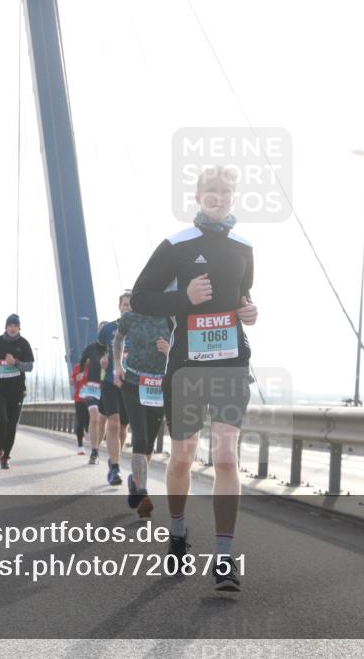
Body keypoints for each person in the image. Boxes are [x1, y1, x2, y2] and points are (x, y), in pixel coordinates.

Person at [131, 165, 257, 593]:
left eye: (225, 191)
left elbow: (243, 299)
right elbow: (142, 298)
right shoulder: (177, 245)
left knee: (225, 457)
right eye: (211, 190)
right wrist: (182, 299)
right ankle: (179, 531)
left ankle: (224, 559)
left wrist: (250, 313)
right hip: (186, 367)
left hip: (231, 364)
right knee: (183, 456)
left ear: (233, 196)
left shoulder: (244, 247)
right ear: (198, 195)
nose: (218, 197)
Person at [112, 307, 171, 518]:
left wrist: (170, 349)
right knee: (140, 437)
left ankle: (136, 481)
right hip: (133, 383)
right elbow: (118, 339)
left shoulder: (170, 316)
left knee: (149, 444)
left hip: (158, 386)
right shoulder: (131, 317)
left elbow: (184, 348)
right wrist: (117, 365)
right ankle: (143, 493)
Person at [0, 314, 34, 469]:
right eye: (10, 325)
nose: (12, 328)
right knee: (2, 420)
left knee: (12, 424)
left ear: (19, 328)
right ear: (6, 327)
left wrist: (16, 362)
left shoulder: (24, 343)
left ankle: (6, 456)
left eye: (15, 326)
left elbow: (30, 366)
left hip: (17, 390)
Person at [98, 295, 132, 482]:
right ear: (119, 306)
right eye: (124, 304)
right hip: (111, 382)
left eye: (130, 305)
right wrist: (103, 359)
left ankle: (115, 458)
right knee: (113, 422)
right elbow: (100, 349)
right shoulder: (108, 329)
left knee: (123, 427)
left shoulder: (140, 328)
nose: (127, 308)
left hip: (130, 385)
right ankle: (115, 467)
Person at [77, 323, 108, 465]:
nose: (103, 332)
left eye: (105, 330)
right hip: (91, 387)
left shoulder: (113, 348)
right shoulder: (91, 347)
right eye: (100, 329)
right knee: (94, 417)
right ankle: (94, 451)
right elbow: (82, 360)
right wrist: (82, 371)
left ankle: (97, 447)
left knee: (103, 421)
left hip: (107, 388)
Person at [70, 360, 90, 455]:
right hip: (79, 399)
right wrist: (75, 379)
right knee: (80, 421)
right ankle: (80, 446)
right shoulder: (78, 366)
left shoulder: (95, 367)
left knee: (89, 421)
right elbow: (71, 381)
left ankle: (87, 431)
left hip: (91, 399)